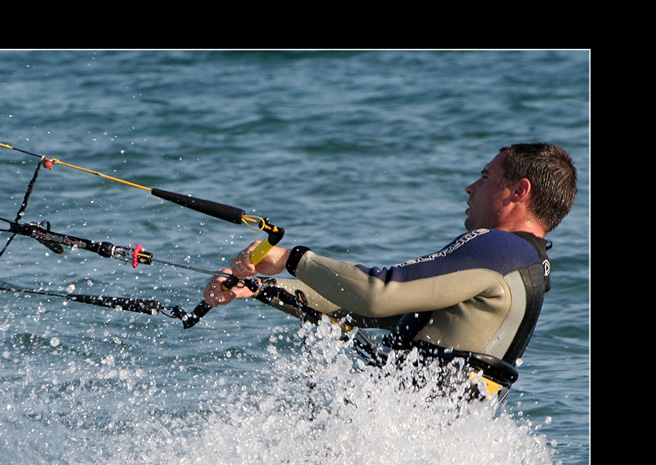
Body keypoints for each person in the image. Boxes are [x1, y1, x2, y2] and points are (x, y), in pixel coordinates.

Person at [202, 143, 578, 399]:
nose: (470, 187)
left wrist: (291, 259)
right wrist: (259, 289)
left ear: (519, 191)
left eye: (484, 177)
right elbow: (371, 310)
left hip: (398, 437)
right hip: (426, 447)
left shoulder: (498, 247)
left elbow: (379, 293)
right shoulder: (526, 266)